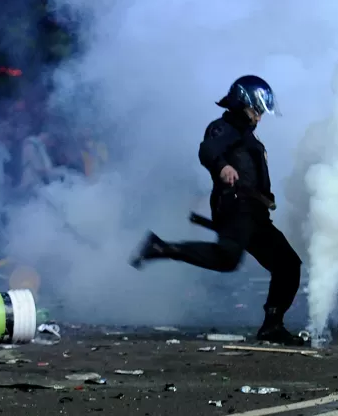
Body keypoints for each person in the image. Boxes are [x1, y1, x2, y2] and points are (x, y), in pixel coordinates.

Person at [130, 75, 304, 345]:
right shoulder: (223, 128)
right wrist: (222, 166)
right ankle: (162, 248)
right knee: (228, 257)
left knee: (287, 265)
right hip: (235, 207)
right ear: (241, 103)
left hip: (256, 214)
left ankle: (272, 325)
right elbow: (207, 150)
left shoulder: (247, 135)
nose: (259, 117)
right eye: (255, 110)